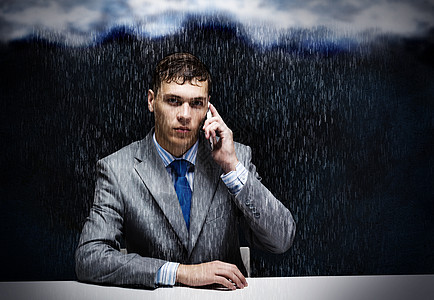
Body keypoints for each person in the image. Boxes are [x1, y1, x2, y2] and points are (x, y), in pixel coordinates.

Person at [75, 52, 296, 290]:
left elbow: (281, 240)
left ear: (208, 107)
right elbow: (90, 257)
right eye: (173, 101)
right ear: (151, 101)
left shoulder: (235, 157)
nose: (185, 115)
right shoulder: (117, 169)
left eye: (196, 103)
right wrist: (179, 272)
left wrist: (232, 168)